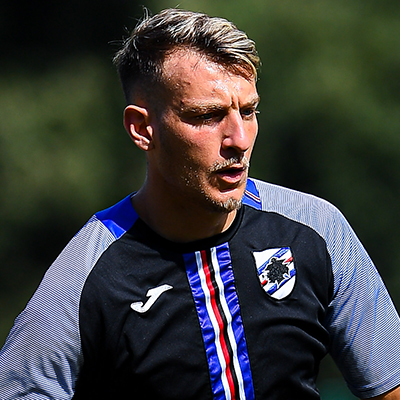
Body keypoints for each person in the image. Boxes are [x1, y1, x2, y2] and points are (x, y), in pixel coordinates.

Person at [0, 8, 399, 400]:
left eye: (249, 111)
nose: (239, 139)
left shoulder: (317, 228)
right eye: (208, 116)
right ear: (142, 128)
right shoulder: (83, 277)